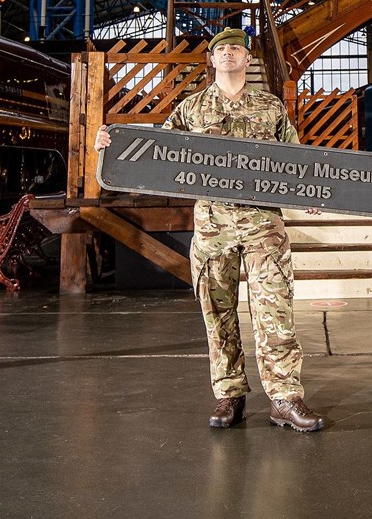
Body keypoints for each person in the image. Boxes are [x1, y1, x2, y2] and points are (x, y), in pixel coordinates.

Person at [95, 27, 325, 433]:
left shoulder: (270, 107)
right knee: (217, 314)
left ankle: (285, 398)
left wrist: (312, 190)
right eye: (222, 49)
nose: (230, 53)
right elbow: (155, 153)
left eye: (237, 48)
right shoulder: (191, 109)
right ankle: (229, 395)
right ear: (212, 60)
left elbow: (298, 160)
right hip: (213, 228)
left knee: (275, 311)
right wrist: (111, 144)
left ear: (248, 60)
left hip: (263, 227)